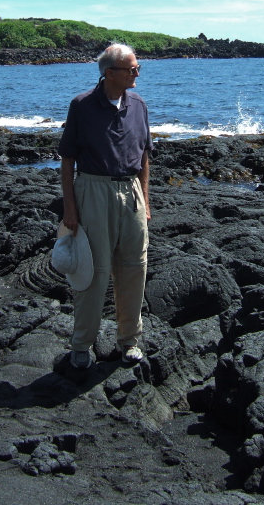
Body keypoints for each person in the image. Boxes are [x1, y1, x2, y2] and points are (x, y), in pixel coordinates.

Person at [57, 43, 152, 369]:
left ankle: (129, 342)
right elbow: (67, 160)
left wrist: (146, 202)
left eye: (137, 67)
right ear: (110, 73)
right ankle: (82, 345)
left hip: (132, 193)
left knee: (134, 269)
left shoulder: (138, 104)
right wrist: (70, 209)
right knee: (92, 274)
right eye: (132, 69)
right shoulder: (81, 105)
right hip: (93, 191)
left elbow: (143, 157)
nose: (137, 73)